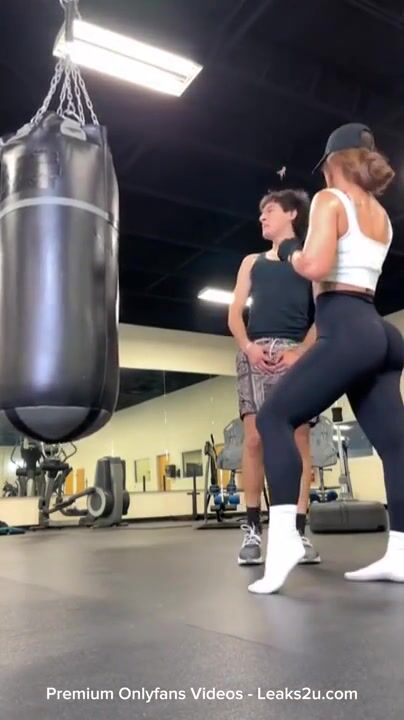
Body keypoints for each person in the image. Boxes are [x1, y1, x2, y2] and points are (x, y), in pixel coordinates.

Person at [248, 122, 404, 596]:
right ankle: (400, 554)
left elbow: (314, 266)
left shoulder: (329, 199)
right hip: (380, 331)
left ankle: (283, 545)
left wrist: (289, 249)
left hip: (346, 325)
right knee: (396, 445)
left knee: (273, 418)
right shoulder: (380, 214)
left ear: (334, 163)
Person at [228, 188, 321, 566]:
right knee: (254, 440)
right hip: (255, 352)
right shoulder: (252, 261)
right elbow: (235, 312)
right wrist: (249, 347)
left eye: (269, 210)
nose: (262, 217)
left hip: (297, 354)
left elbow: (323, 315)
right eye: (261, 212)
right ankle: (252, 529)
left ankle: (298, 532)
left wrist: (299, 353)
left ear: (292, 214)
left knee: (299, 442)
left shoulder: (310, 261)